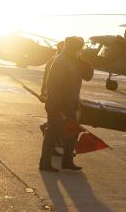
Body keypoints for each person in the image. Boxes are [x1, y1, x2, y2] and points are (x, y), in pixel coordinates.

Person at [39, 36, 94, 172]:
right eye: (78, 48)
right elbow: (54, 85)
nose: (79, 50)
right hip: (58, 104)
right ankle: (45, 163)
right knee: (53, 133)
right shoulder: (61, 61)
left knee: (73, 131)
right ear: (71, 47)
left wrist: (84, 62)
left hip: (70, 103)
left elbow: (88, 76)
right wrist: (57, 104)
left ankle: (67, 160)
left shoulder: (74, 62)